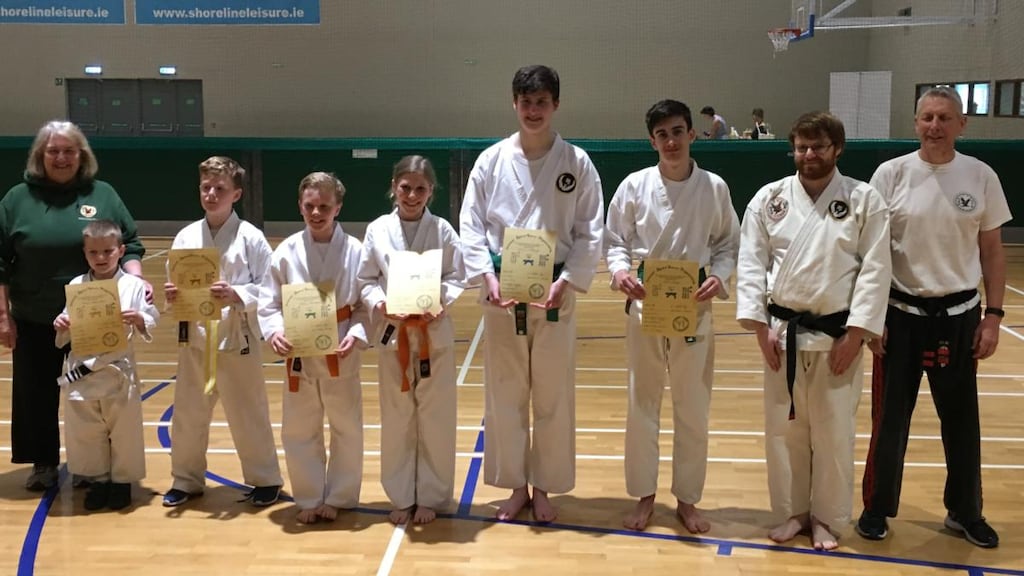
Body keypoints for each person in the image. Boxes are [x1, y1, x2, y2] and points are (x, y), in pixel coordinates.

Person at [856, 86, 1009, 549]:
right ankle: (877, 508)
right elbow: (870, 251)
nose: (935, 126)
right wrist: (871, 316)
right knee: (889, 421)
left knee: (962, 422)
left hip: (960, 318)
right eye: (927, 117)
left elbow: (992, 250)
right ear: (915, 122)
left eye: (944, 118)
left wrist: (993, 316)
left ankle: (965, 512)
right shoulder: (891, 174)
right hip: (900, 316)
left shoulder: (980, 175)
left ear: (962, 124)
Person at [736, 111, 891, 550]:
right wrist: (759, 327)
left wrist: (857, 334)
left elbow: (876, 270)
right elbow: (751, 264)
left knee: (833, 433)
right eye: (801, 147)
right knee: (784, 431)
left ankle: (827, 517)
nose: (809, 155)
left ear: (836, 149)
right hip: (782, 334)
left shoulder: (863, 199)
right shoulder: (769, 199)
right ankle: (792, 512)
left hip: (837, 336)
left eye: (818, 146)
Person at [458, 64, 604, 522]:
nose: (533, 110)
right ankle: (516, 486)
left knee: (553, 394)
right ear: (514, 104)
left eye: (542, 102)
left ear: (556, 104)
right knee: (506, 393)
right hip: (502, 292)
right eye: (526, 102)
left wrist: (569, 280)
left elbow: (591, 230)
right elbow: (471, 225)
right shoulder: (491, 160)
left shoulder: (576, 162)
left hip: (555, 292)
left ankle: (544, 487)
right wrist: (486, 276)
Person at [604, 99, 740, 533]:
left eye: (678, 132)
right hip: (646, 303)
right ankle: (644, 495)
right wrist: (620, 272)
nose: (671, 141)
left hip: (693, 305)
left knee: (692, 406)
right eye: (662, 135)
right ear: (652, 141)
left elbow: (727, 244)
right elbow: (615, 241)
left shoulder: (714, 187)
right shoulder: (634, 185)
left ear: (692, 134)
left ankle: (687, 498)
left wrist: (719, 276)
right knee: (641, 402)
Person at [0, 120, 148, 492]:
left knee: (94, 396)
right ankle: (43, 463)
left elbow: (130, 244)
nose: (62, 158)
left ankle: (92, 466)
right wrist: (3, 316)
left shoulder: (103, 194)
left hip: (95, 320)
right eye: (53, 151)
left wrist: (137, 281)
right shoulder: (17, 199)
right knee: (36, 393)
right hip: (35, 315)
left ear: (82, 155)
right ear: (40, 155)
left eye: (69, 151)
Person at [162, 156, 283, 508]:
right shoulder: (186, 237)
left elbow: (270, 288)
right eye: (206, 188)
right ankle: (186, 479)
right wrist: (173, 296)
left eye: (220, 188)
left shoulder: (252, 238)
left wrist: (237, 294)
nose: (211, 194)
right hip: (196, 338)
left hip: (236, 337)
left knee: (249, 412)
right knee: (188, 414)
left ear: (236, 194)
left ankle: (265, 479)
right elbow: (174, 282)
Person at [357, 155, 465, 525]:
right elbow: (365, 279)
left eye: (421, 188)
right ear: (394, 187)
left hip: (434, 333)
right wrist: (380, 303)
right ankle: (401, 496)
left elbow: (457, 275)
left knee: (436, 417)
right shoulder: (378, 229)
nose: (412, 195)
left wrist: (441, 301)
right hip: (394, 334)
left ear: (431, 191)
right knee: (397, 417)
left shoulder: (443, 230)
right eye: (405, 187)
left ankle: (432, 496)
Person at [259, 172, 369, 525]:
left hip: (340, 349)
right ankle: (308, 496)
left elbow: (365, 304)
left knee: (347, 428)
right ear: (300, 206)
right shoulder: (286, 251)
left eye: (324, 206)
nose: (316, 213)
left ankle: (339, 496)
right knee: (298, 429)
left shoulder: (356, 251)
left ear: (338, 207)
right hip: (299, 352)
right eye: (310, 206)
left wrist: (358, 333)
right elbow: (268, 303)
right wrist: (274, 332)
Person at [54, 220, 158, 510]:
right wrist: (61, 323)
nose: (100, 258)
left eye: (108, 251)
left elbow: (152, 317)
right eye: (93, 252)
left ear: (121, 251)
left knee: (124, 431)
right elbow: (65, 324)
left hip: (118, 371)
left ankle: (122, 482)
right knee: (87, 431)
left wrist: (140, 319)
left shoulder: (134, 285)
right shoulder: (77, 285)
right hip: (83, 370)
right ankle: (98, 480)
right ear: (85, 253)